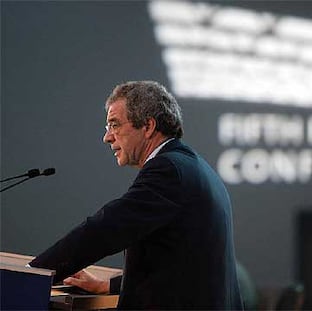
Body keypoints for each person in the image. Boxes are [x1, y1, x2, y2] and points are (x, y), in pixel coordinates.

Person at [29, 81, 243, 310]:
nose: (107, 137)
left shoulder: (168, 170)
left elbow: (106, 228)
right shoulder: (192, 165)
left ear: (148, 126)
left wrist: (34, 275)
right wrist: (110, 285)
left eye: (115, 125)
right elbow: (181, 262)